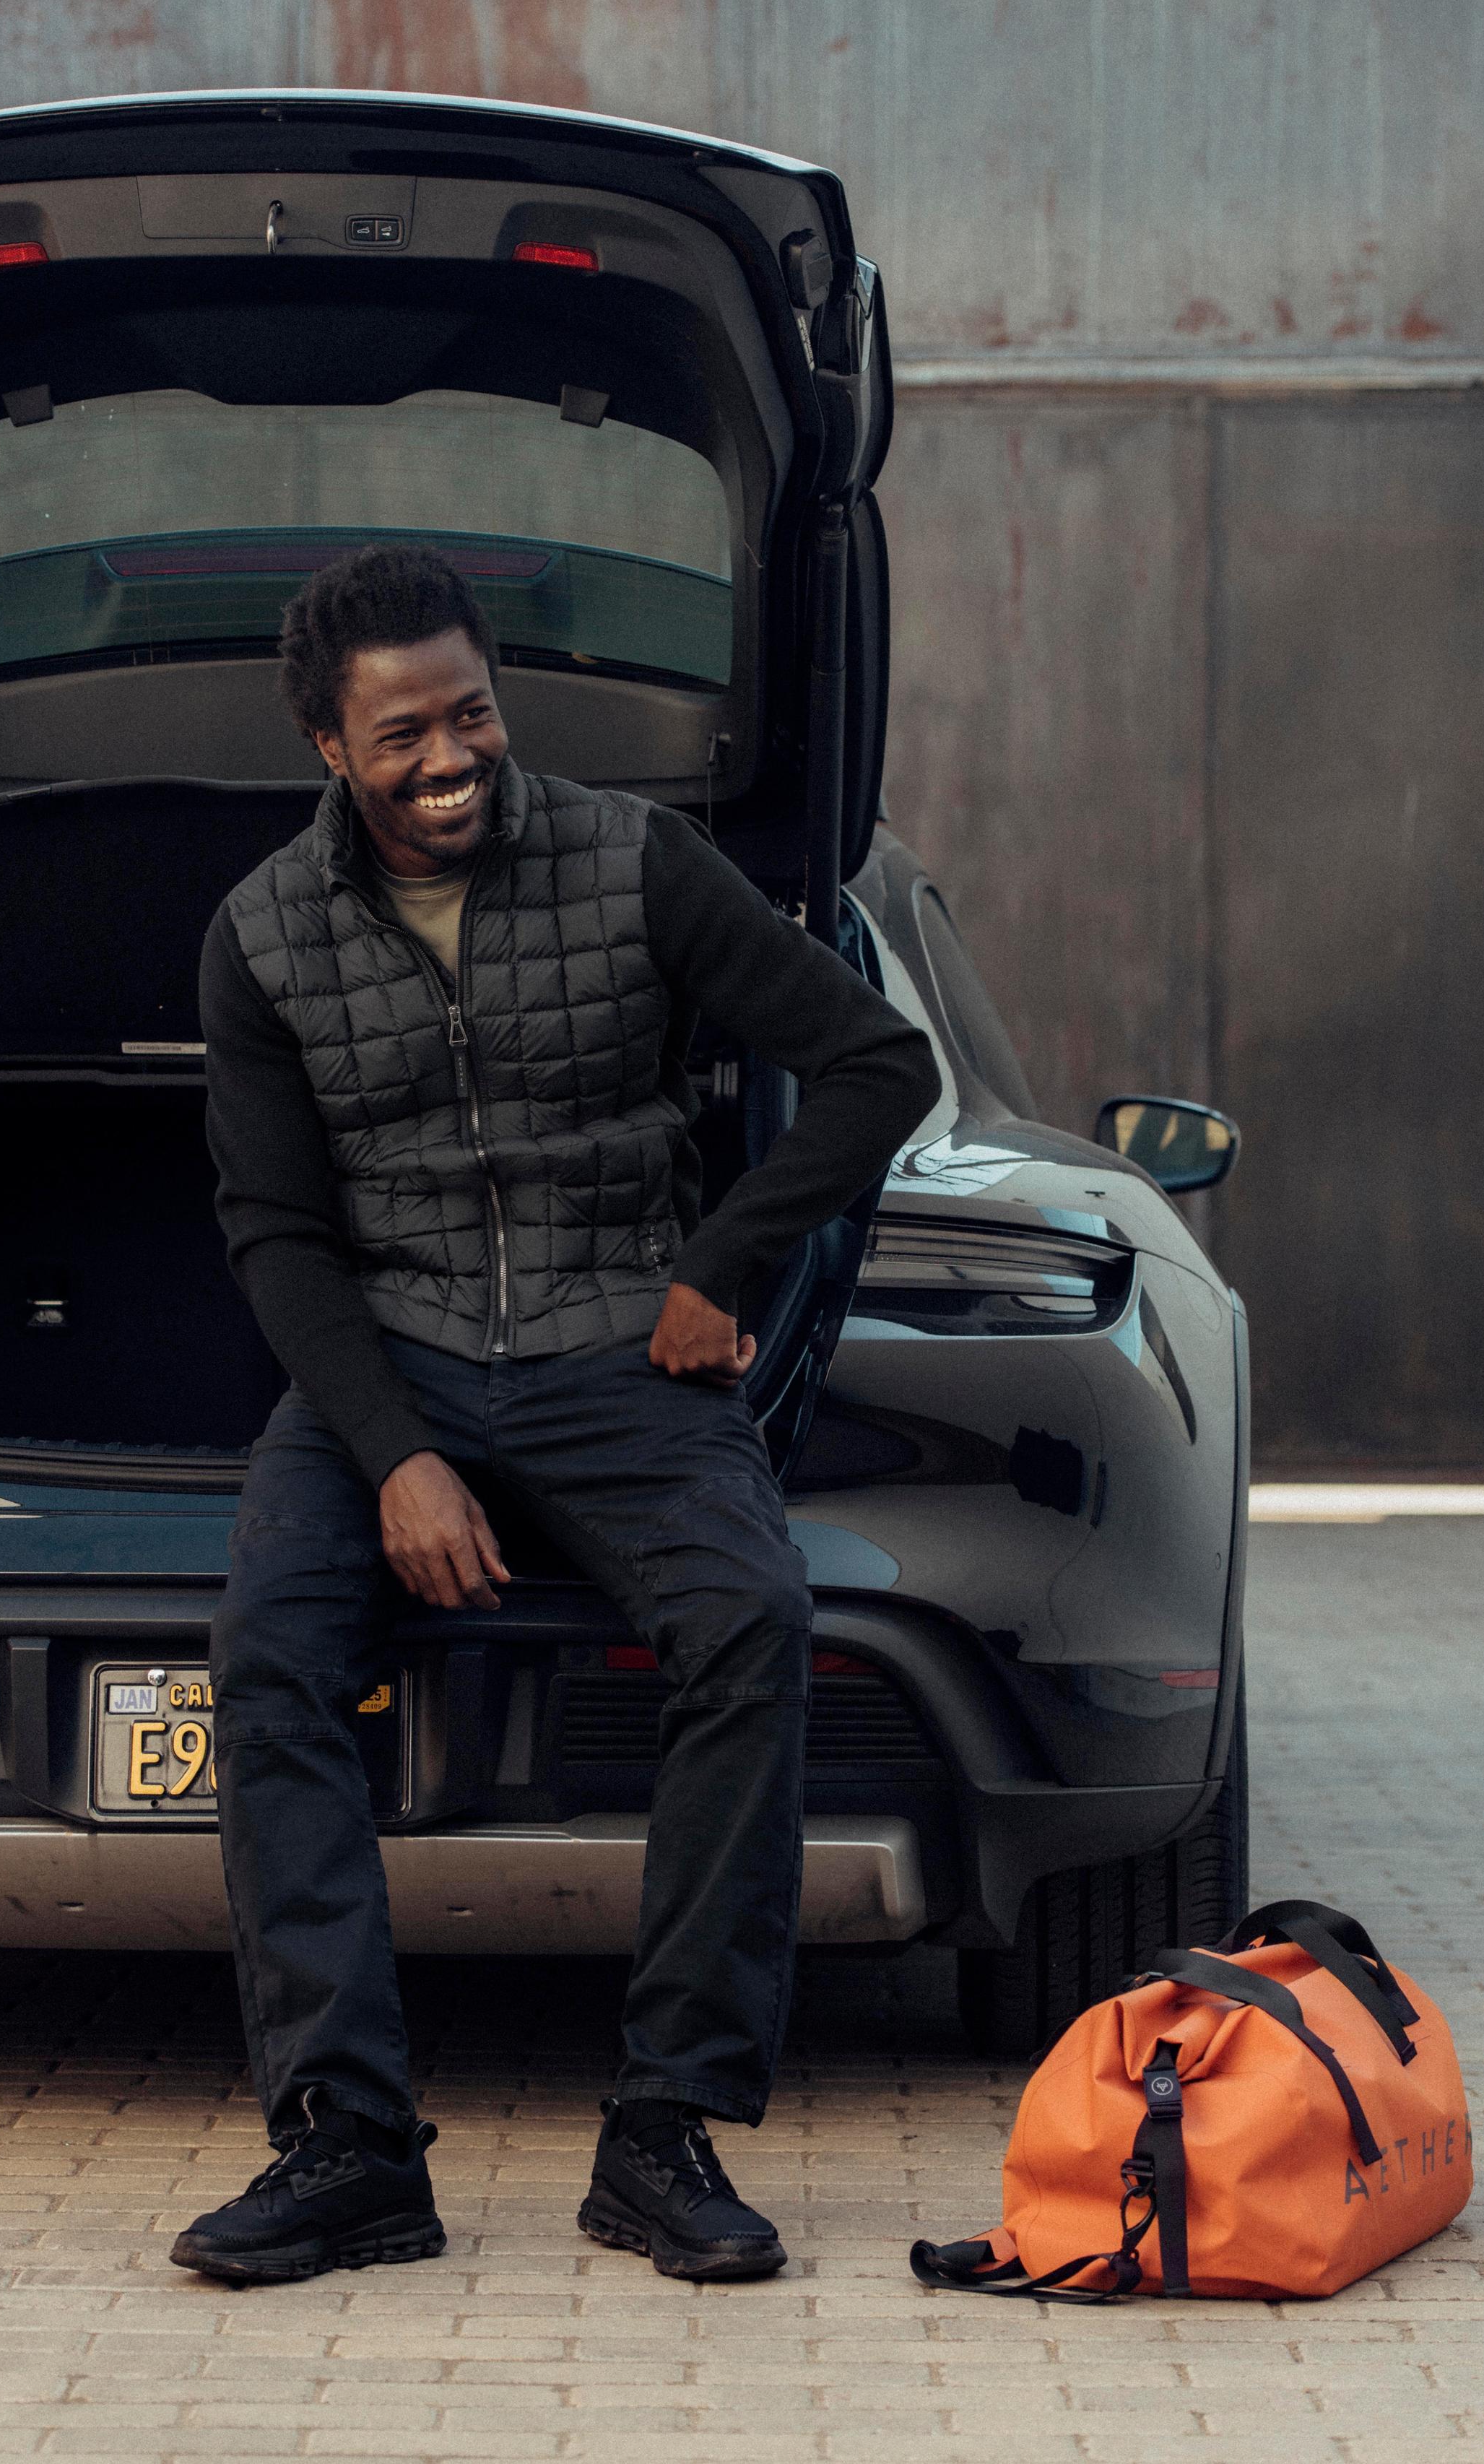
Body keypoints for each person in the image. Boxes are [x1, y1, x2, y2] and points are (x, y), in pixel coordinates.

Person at [171, 544, 937, 2286]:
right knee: (270, 1654)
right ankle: (350, 2147)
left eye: (470, 715)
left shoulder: (631, 859)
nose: (449, 761)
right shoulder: (261, 938)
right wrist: (395, 1455)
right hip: (395, 1350)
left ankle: (663, 2131)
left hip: (618, 1345)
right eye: (402, 738)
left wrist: (727, 1264)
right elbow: (276, 1235)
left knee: (752, 1618)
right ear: (326, 747)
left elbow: (875, 1064)